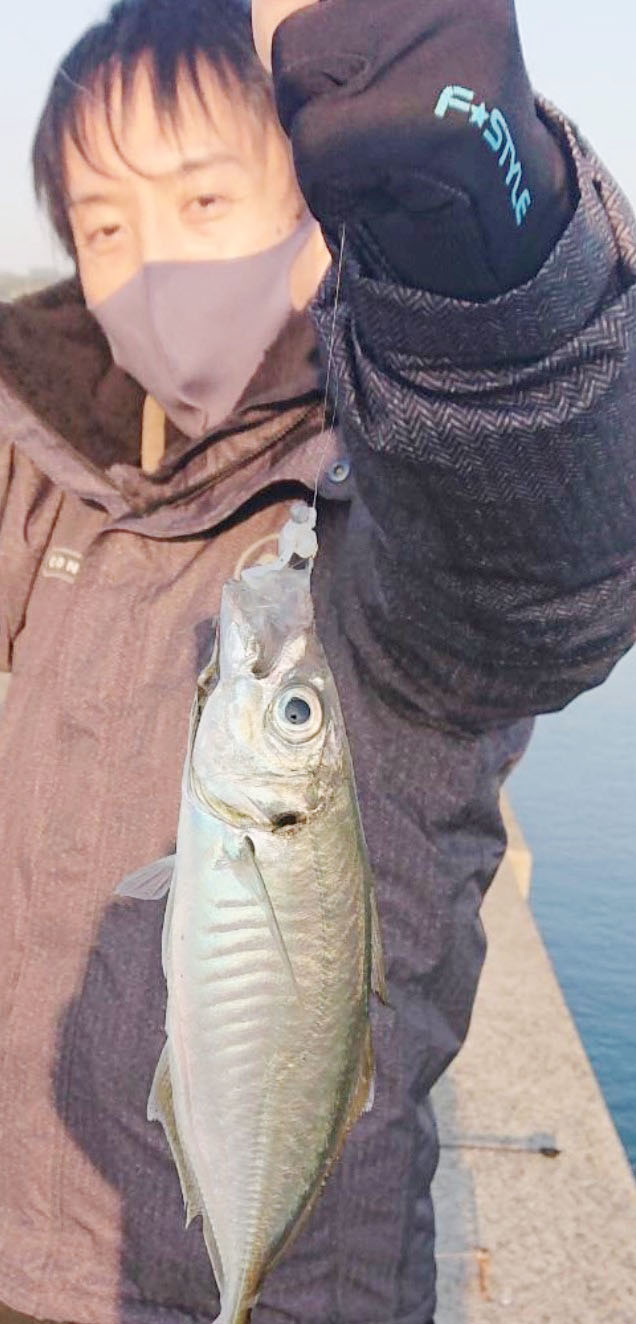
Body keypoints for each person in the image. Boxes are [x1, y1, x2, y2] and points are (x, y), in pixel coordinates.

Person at [0, 1, 635, 1321]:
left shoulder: (405, 524)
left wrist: (476, 254)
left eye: (204, 198)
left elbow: (541, 540)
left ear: (320, 207)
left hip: (303, 1288)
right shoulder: (50, 479)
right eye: (103, 225)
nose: (150, 260)